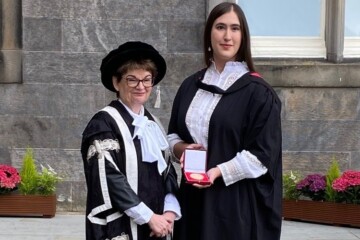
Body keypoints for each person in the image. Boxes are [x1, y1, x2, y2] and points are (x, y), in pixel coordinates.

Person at [167, 2, 282, 240]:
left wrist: (217, 172)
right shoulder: (191, 85)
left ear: (243, 36)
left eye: (235, 28)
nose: (227, 36)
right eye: (220, 27)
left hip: (234, 204)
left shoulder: (258, 93)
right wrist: (182, 148)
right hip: (193, 198)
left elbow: (261, 156)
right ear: (209, 33)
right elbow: (172, 135)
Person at [81, 41, 181, 240]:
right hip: (122, 227)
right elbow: (109, 179)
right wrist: (149, 217)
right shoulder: (103, 124)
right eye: (132, 80)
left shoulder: (152, 124)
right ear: (116, 83)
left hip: (158, 226)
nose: (141, 86)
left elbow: (168, 171)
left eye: (147, 79)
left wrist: (169, 213)